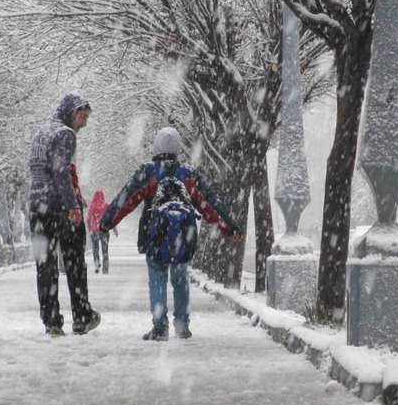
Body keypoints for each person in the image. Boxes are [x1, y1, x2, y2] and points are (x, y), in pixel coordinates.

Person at [99, 126, 242, 341]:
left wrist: (107, 222)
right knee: (180, 279)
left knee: (157, 280)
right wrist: (229, 228)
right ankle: (182, 325)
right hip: (182, 238)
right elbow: (210, 204)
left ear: (156, 146)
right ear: (178, 148)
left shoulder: (148, 173)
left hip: (155, 235)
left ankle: (160, 327)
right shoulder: (188, 174)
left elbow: (125, 199)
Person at [28, 92, 101, 337]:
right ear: (71, 113)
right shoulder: (65, 134)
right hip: (59, 207)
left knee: (45, 265)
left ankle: (51, 320)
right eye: (82, 117)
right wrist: (72, 207)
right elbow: (60, 173)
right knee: (74, 262)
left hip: (37, 207)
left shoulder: (41, 132)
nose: (84, 123)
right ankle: (82, 316)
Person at [86, 189, 115, 274]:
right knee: (105, 250)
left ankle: (97, 263)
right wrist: (113, 228)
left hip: (95, 230)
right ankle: (105, 269)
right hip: (104, 230)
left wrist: (90, 228)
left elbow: (88, 219)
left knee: (95, 249)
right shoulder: (106, 206)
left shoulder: (93, 206)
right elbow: (111, 218)